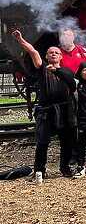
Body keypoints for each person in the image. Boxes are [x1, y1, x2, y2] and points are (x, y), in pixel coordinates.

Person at [13, 30, 77, 184]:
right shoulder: (42, 70)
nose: (54, 54)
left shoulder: (67, 71)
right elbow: (33, 51)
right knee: (42, 142)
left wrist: (59, 71)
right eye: (50, 53)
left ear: (61, 56)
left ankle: (65, 167)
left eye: (56, 52)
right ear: (47, 57)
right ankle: (39, 170)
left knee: (66, 141)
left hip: (64, 110)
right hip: (46, 111)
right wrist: (21, 40)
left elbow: (72, 85)